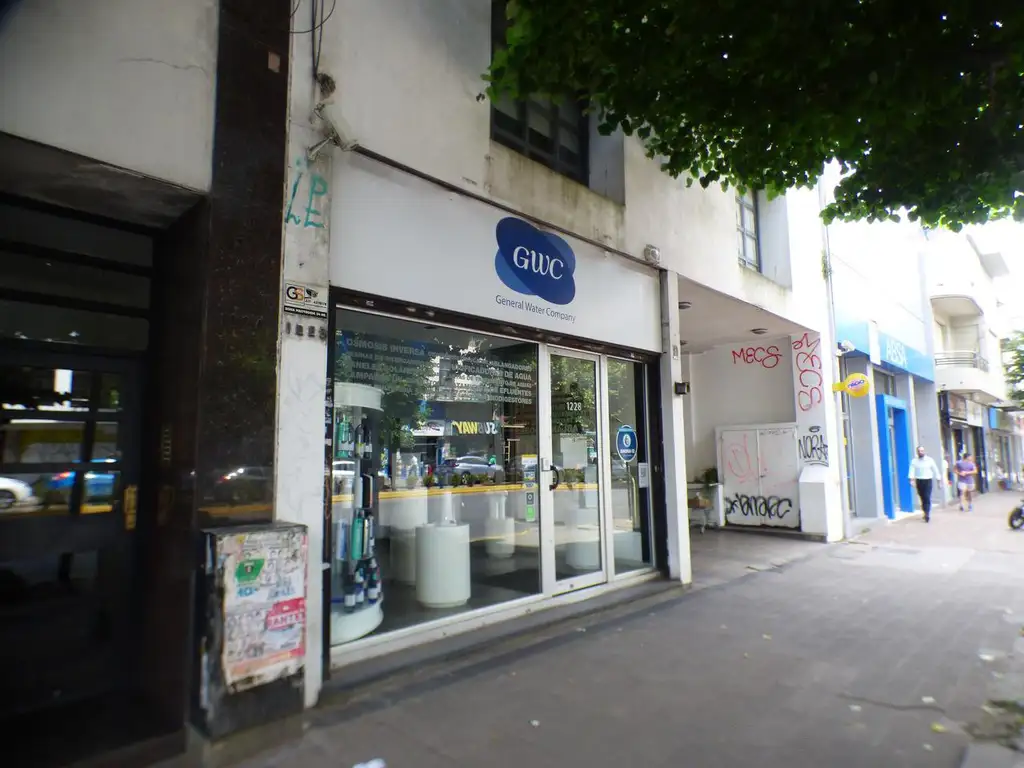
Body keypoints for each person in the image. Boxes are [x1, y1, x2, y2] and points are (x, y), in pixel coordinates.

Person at [908, 446, 941, 522]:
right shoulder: (914, 461)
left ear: (924, 451)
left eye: (922, 451)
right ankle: (925, 511)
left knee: (927, 496)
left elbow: (935, 470)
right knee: (922, 497)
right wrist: (911, 480)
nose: (921, 452)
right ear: (917, 452)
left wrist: (939, 480)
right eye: (919, 451)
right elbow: (911, 470)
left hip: (928, 480)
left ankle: (927, 514)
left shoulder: (930, 460)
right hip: (919, 480)